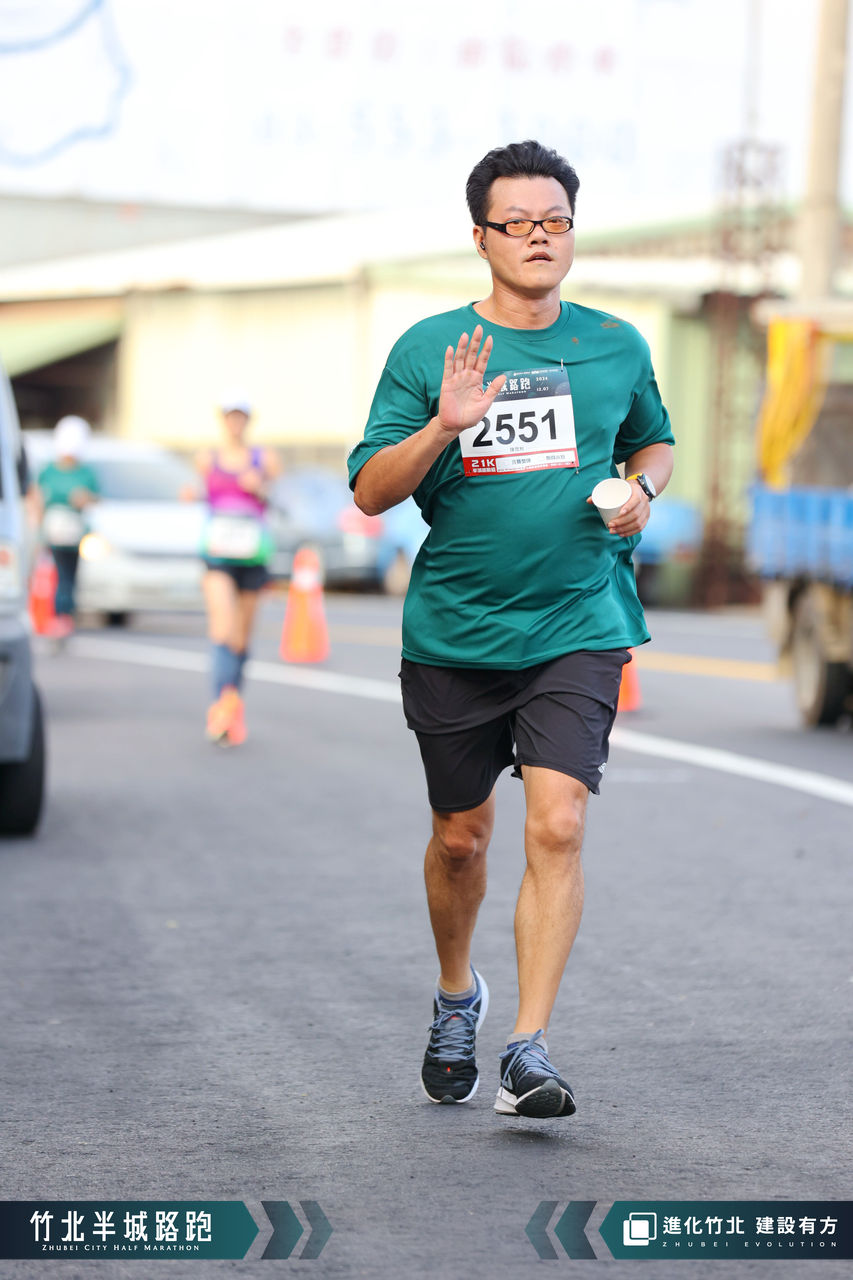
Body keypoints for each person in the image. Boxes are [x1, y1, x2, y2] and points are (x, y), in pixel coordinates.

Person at [349, 140, 675, 1119]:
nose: (539, 238)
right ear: (481, 237)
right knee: (460, 838)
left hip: (578, 619)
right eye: (518, 223)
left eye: (555, 221)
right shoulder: (431, 350)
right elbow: (370, 492)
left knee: (558, 822)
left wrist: (642, 488)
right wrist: (443, 425)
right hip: (455, 629)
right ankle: (458, 994)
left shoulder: (615, 343)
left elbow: (654, 439)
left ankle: (527, 1047)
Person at [194, 394, 280, 747]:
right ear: (223, 419)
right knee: (223, 628)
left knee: (242, 638)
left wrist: (261, 488)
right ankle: (220, 707)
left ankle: (232, 704)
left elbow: (280, 499)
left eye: (241, 417)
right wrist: (190, 494)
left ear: (248, 420)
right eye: (230, 416)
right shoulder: (207, 458)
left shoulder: (265, 458)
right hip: (218, 555)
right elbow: (201, 495)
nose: (235, 423)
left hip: (252, 554)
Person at [36, 415, 99, 639]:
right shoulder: (48, 470)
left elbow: (96, 497)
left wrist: (85, 498)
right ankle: (52, 614)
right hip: (52, 531)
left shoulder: (85, 472)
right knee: (52, 574)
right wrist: (37, 528)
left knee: (69, 575)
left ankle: (65, 614)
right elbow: (37, 498)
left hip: (74, 533)